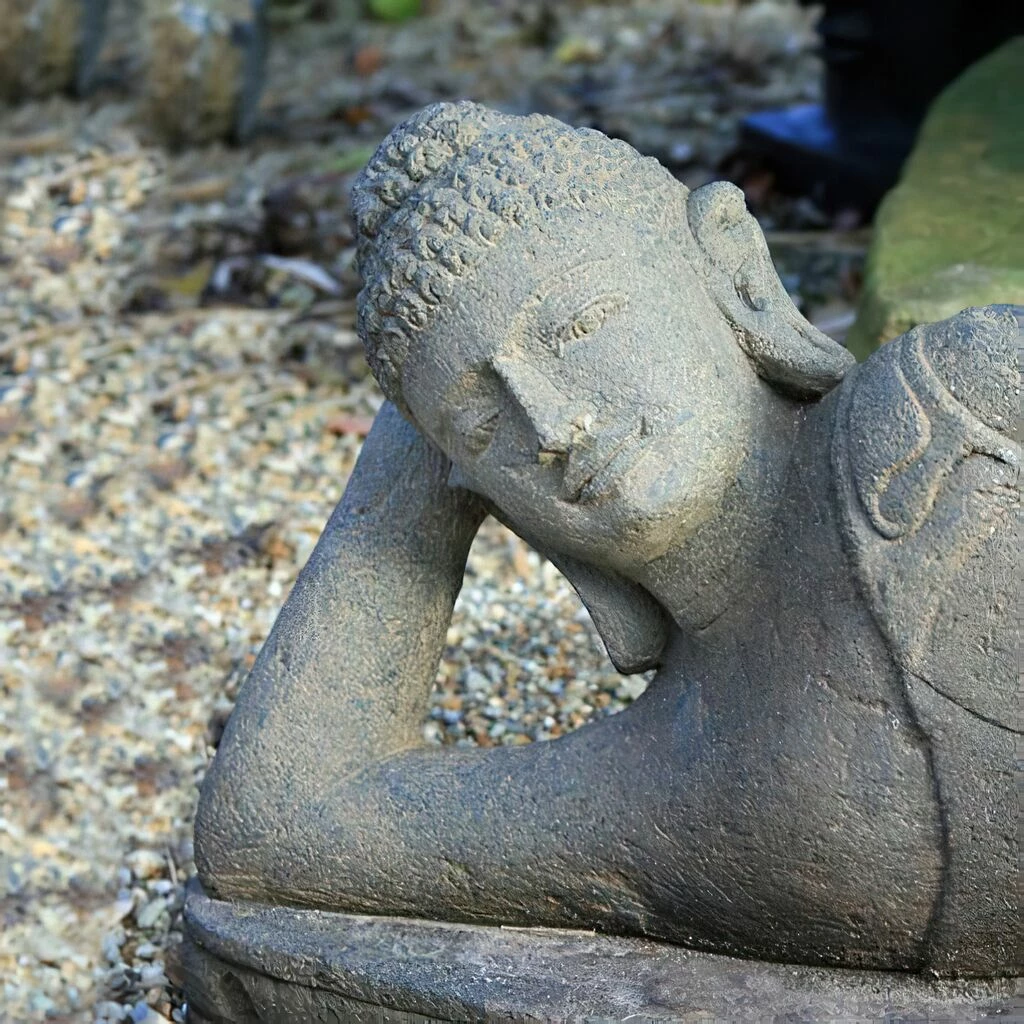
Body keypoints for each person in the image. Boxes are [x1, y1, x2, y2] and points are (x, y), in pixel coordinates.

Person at [193, 103, 1019, 976]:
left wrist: (436, 396)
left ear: (730, 267)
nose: (551, 426)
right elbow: (276, 824)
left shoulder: (952, 413)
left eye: (579, 327)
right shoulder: (676, 781)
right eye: (483, 422)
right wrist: (415, 430)